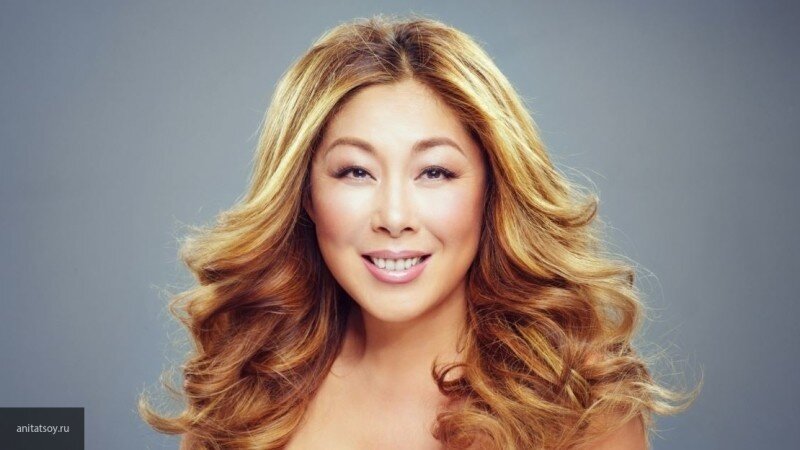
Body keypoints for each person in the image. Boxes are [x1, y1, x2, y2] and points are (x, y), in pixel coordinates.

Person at [139, 14, 694, 449]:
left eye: (435, 172)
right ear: (305, 194)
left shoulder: (578, 406)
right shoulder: (246, 393)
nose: (394, 215)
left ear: (492, 188)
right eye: (355, 171)